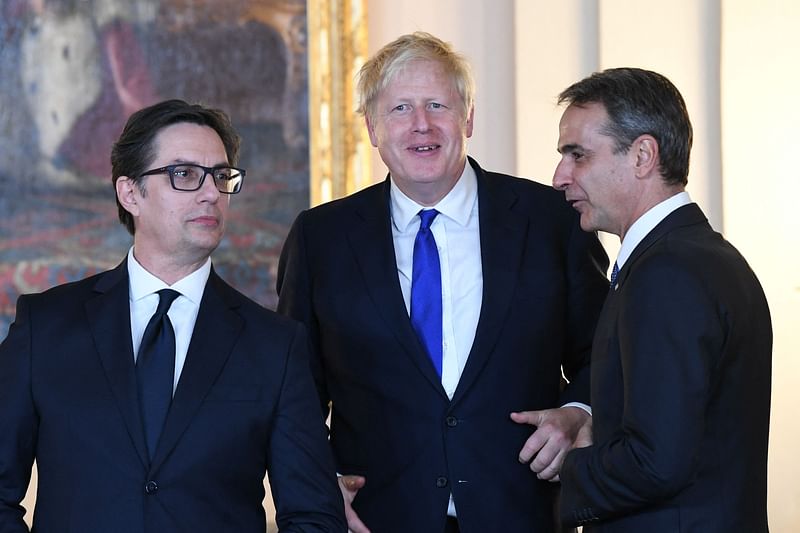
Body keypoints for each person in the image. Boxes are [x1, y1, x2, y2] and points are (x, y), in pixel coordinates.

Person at [276, 32, 609, 533]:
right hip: (376, 520)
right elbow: (293, 392)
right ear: (370, 126)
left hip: (523, 513)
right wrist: (316, 486)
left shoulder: (549, 221)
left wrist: (578, 413)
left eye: (438, 104)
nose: (421, 125)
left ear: (468, 116)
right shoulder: (321, 237)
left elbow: (605, 353)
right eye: (400, 109)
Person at [0, 99, 346, 532]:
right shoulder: (46, 325)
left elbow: (314, 516)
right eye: (184, 174)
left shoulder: (275, 345)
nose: (210, 193)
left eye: (221, 176)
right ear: (130, 193)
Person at [548, 67, 772, 531]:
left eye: (578, 155)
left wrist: (565, 466)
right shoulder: (700, 256)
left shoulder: (667, 273)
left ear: (643, 155)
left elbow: (655, 462)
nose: (559, 176)